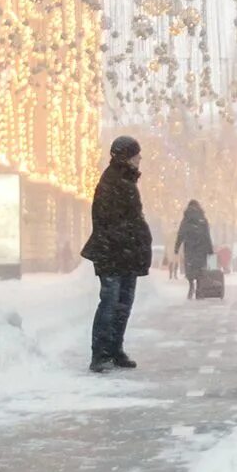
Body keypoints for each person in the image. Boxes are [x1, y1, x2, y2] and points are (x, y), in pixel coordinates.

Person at [80, 136, 150, 373]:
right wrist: (128, 240)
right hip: (113, 254)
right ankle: (100, 353)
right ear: (126, 157)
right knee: (110, 303)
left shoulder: (125, 181)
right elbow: (107, 221)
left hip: (124, 254)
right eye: (136, 155)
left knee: (122, 304)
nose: (139, 159)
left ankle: (115, 349)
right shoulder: (111, 183)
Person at [176, 200, 214, 298]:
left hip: (190, 247)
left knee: (190, 267)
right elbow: (206, 235)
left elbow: (181, 234)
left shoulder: (186, 219)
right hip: (201, 248)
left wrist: (177, 247)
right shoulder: (202, 219)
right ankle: (199, 288)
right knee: (200, 268)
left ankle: (191, 285)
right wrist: (210, 248)